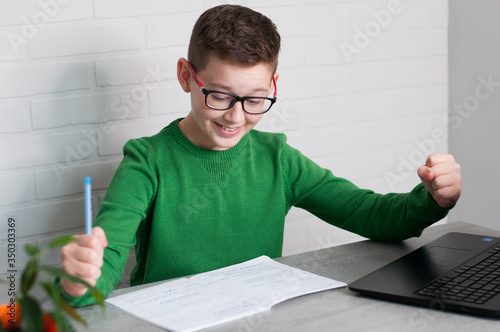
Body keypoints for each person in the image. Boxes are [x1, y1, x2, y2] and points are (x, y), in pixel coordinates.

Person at [57, 5, 461, 306]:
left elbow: (372, 215)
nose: (236, 116)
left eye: (255, 99)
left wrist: (432, 200)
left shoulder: (278, 159)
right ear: (186, 76)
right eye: (219, 95)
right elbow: (101, 272)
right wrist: (79, 282)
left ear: (273, 84)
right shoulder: (147, 162)